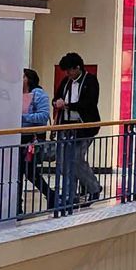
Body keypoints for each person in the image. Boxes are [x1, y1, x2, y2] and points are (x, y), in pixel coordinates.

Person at [54, 52, 102, 209]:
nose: (67, 74)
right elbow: (57, 98)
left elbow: (89, 103)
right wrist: (57, 103)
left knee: (75, 158)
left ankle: (93, 187)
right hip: (66, 126)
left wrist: (67, 105)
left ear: (78, 68)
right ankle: (71, 195)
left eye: (69, 70)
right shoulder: (66, 81)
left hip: (84, 127)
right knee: (64, 162)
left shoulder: (90, 80)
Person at [18, 68, 54, 211]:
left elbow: (43, 116)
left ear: (27, 79)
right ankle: (18, 205)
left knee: (29, 172)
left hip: (31, 140)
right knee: (22, 172)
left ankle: (51, 195)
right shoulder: (18, 94)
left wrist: (23, 117)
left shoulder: (39, 94)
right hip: (18, 138)